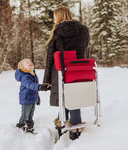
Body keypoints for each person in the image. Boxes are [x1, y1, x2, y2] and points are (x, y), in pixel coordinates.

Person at [41, 6, 90, 140]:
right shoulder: (83, 30)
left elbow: (50, 59)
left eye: (55, 16)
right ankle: (74, 126)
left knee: (64, 97)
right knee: (74, 96)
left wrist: (46, 81)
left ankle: (63, 127)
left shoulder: (57, 33)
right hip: (79, 68)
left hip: (62, 70)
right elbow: (85, 46)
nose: (54, 19)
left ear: (59, 16)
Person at [15, 59, 42, 133]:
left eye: (30, 62)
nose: (30, 63)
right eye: (27, 63)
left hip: (32, 98)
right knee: (25, 114)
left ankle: (29, 125)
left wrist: (37, 97)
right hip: (26, 98)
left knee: (31, 113)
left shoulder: (32, 74)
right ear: (23, 68)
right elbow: (30, 85)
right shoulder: (25, 76)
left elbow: (34, 89)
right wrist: (39, 87)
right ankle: (20, 126)